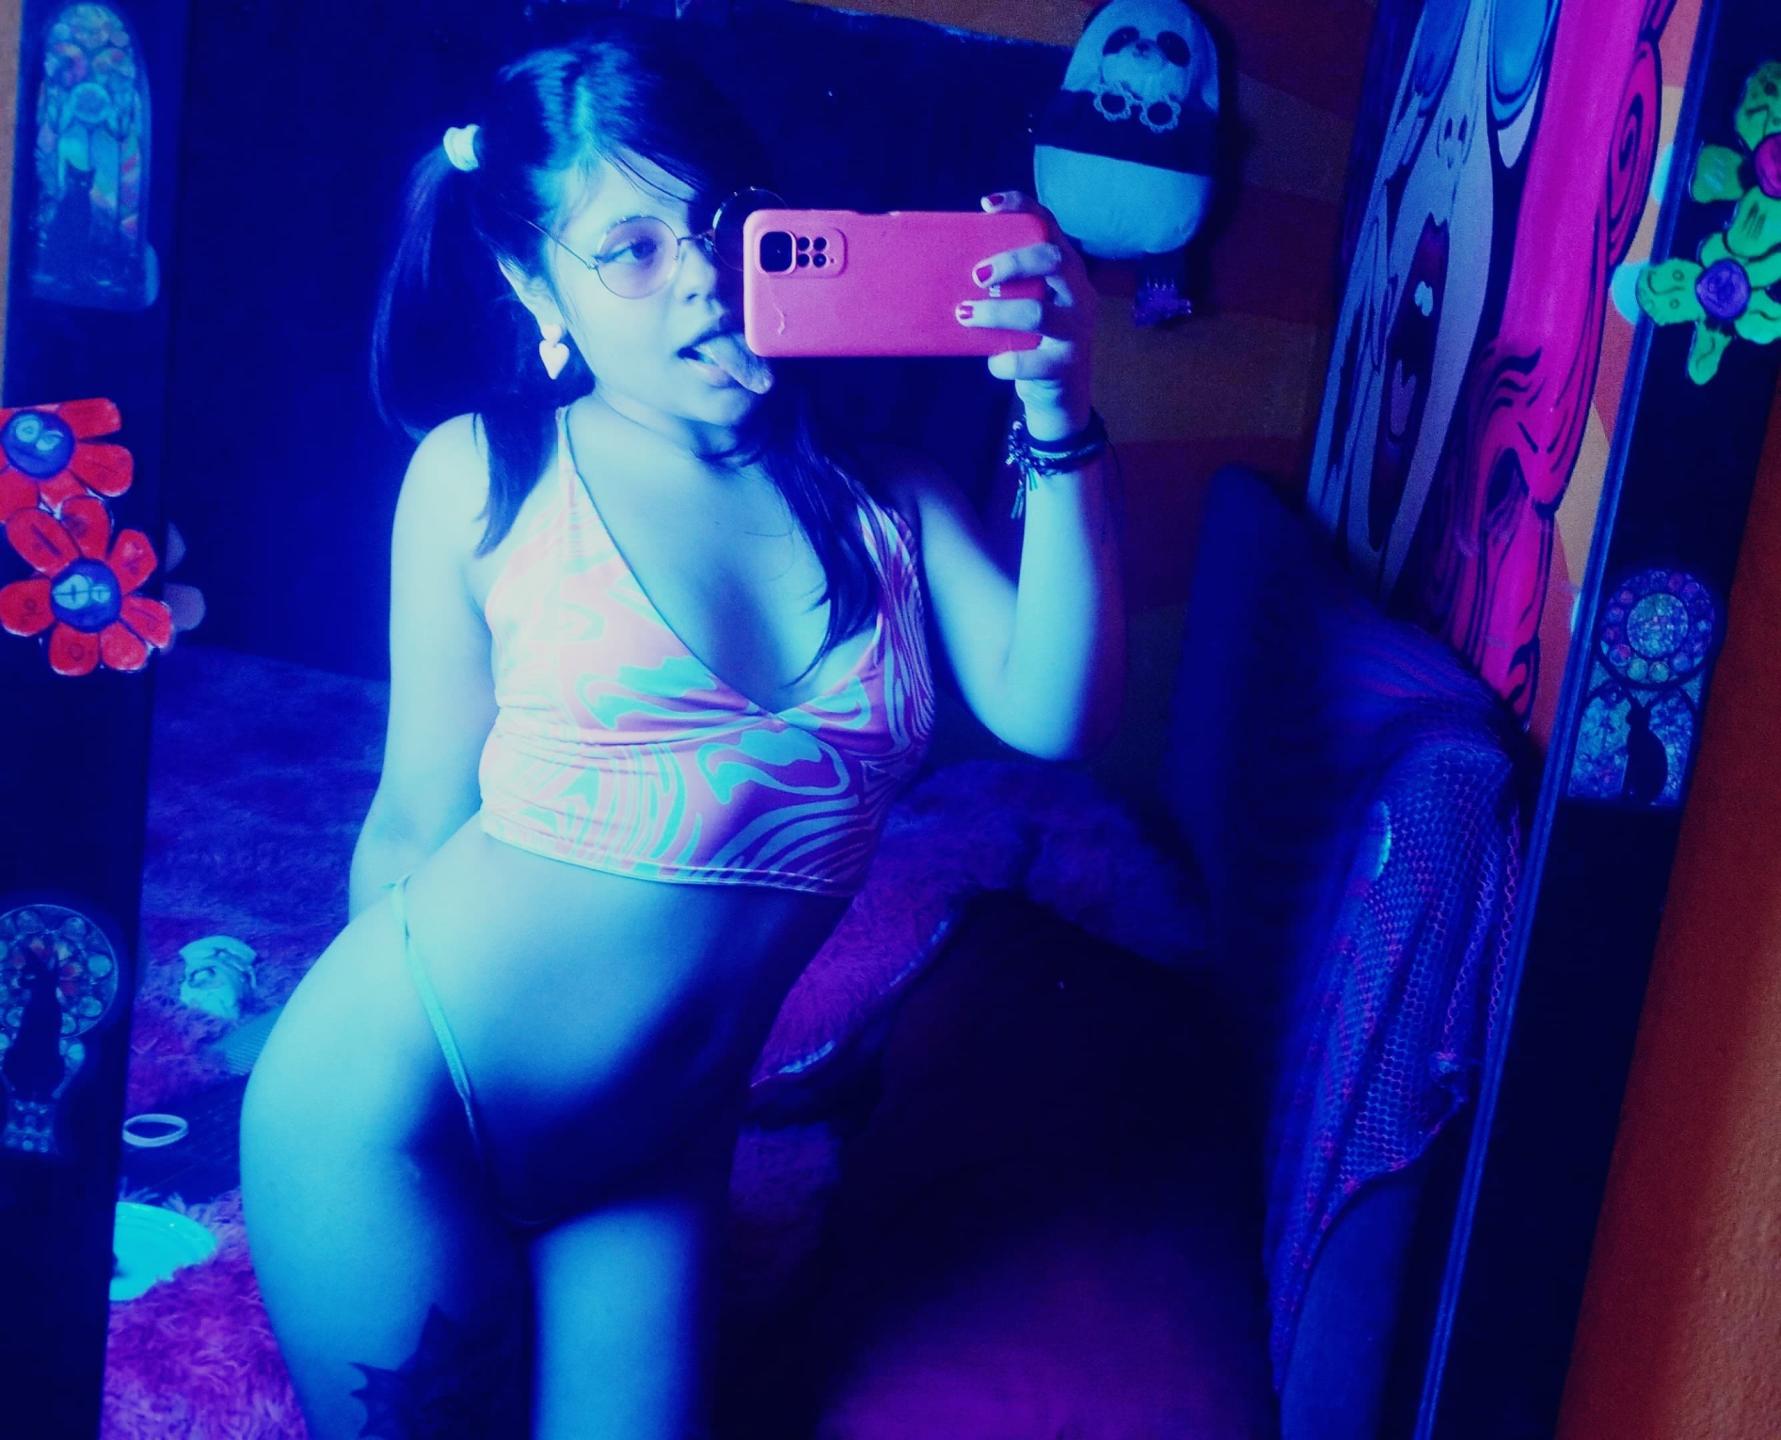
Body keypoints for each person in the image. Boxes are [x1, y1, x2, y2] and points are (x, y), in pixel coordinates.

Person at [239, 18, 1125, 1440]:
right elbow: (411, 821)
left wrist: (1058, 410)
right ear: (535, 283)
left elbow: (1055, 711)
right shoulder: (484, 477)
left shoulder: (887, 502)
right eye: (632, 250)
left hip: (652, 1161)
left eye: (721, 223)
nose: (701, 276)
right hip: (396, 1113)